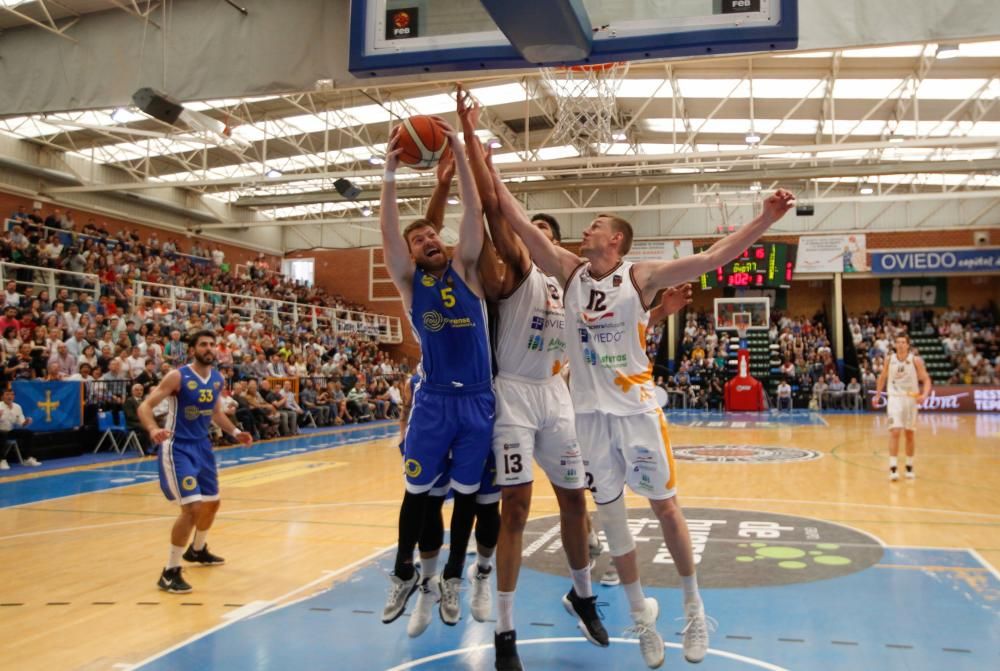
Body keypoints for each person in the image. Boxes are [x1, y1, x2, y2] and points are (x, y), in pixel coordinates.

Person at [493, 159, 794, 667]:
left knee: (665, 507)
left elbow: (718, 254)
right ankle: (640, 616)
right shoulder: (567, 272)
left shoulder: (642, 276)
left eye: (597, 225)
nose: (586, 228)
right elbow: (518, 220)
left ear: (616, 241)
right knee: (611, 519)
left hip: (635, 410)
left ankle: (694, 608)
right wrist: (483, 162)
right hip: (587, 416)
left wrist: (764, 218)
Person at [453, 88, 606, 668]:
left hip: (554, 394)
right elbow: (494, 209)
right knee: (516, 506)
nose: (528, 233)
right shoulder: (515, 269)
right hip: (512, 392)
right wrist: (475, 144)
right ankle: (506, 634)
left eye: (541, 228)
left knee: (575, 500)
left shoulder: (568, 283)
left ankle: (583, 594)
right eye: (527, 228)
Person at [378, 116, 496, 630]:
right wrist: (388, 171)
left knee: (468, 496)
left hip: (477, 398)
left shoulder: (466, 267)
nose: (427, 236)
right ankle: (406, 573)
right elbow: (387, 229)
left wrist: (459, 151)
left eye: (431, 232)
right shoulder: (408, 284)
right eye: (418, 236)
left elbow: (473, 210)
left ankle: (453, 576)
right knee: (418, 494)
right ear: (408, 255)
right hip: (432, 402)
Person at [138, 330, 253, 594]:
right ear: (193, 349)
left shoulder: (217, 378)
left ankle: (197, 550)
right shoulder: (177, 375)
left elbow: (215, 412)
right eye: (203, 344)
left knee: (212, 503)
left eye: (213, 345)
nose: (209, 348)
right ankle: (170, 571)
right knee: (191, 508)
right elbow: (145, 406)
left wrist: (235, 432)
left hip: (202, 446)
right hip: (178, 447)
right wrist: (153, 429)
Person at [874, 334, 932, 481]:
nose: (900, 345)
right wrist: (878, 394)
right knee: (894, 431)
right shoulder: (889, 359)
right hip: (894, 398)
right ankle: (893, 467)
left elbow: (926, 379)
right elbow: (882, 377)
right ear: (895, 345)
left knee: (909, 434)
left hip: (911, 400)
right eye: (898, 342)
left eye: (903, 342)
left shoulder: (915, 360)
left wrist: (924, 395)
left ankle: (909, 465)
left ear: (908, 345)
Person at [0, 388, 38, 469]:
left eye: (12, 394)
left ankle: (27, 458)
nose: (10, 396)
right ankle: (2, 460)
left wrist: (26, 422)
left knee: (28, 433)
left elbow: (22, 424)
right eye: (7, 394)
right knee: (2, 435)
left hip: (9, 431)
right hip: (0, 431)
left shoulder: (17, 407)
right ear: (2, 397)